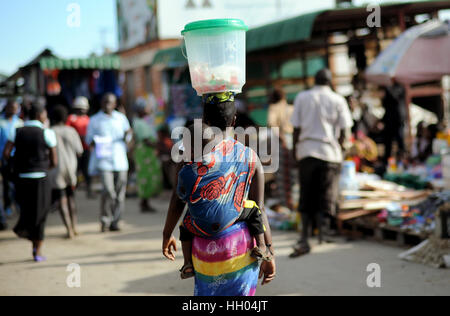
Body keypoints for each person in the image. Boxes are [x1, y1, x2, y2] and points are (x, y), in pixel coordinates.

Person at [162, 92, 276, 296]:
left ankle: (187, 264)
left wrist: (167, 234)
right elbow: (259, 209)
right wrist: (269, 253)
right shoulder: (249, 156)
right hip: (241, 250)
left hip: (205, 252)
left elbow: (177, 202)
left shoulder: (189, 158)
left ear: (204, 121)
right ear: (234, 120)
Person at [290, 69, 353, 257]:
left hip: (307, 151)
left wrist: (296, 152)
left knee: (306, 195)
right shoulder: (338, 100)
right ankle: (323, 234)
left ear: (314, 80)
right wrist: (342, 149)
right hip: (329, 153)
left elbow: (295, 129)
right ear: (330, 81)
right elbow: (345, 132)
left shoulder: (302, 97)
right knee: (326, 195)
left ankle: (304, 235)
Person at [3, 102, 57, 262]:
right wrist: (45, 167)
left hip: (22, 178)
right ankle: (37, 249)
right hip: (41, 177)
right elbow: (54, 159)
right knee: (41, 213)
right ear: (40, 115)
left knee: (27, 210)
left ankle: (26, 232)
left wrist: (17, 163)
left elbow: (6, 153)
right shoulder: (46, 132)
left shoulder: (17, 130)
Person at [86, 93, 132, 232]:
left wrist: (128, 134)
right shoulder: (94, 120)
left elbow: (128, 137)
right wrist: (98, 141)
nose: (107, 104)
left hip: (120, 160)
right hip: (104, 161)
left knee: (119, 194)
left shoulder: (121, 118)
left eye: (110, 102)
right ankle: (105, 220)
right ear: (101, 103)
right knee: (108, 191)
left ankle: (115, 222)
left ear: (114, 104)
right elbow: (89, 140)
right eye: (105, 101)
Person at [50, 106, 83, 239]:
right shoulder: (71, 131)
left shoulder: (50, 131)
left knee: (62, 200)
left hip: (56, 170)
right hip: (71, 169)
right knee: (71, 199)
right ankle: (75, 227)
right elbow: (80, 151)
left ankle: (68, 229)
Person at [132, 97, 163, 212]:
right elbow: (146, 140)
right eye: (146, 107)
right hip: (144, 153)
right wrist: (159, 146)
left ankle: (145, 202)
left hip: (148, 153)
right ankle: (144, 203)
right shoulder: (139, 122)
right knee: (145, 176)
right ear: (140, 109)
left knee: (149, 175)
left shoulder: (144, 121)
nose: (148, 109)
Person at [267, 88, 295, 210]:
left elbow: (272, 125)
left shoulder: (274, 108)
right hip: (293, 142)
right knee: (293, 176)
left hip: (281, 143)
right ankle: (294, 205)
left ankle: (286, 207)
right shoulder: (291, 108)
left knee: (282, 177)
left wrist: (282, 139)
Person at [0, 99, 24, 229]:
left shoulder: (19, 122)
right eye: (11, 107)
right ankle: (7, 206)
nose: (13, 110)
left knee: (17, 183)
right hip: (3, 158)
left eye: (16, 108)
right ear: (7, 107)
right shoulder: (1, 122)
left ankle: (17, 204)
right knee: (6, 184)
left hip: (17, 158)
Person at [66, 96, 93, 198]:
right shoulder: (71, 118)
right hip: (74, 149)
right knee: (74, 169)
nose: (82, 110)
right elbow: (67, 131)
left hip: (86, 148)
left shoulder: (88, 119)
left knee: (86, 169)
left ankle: (89, 189)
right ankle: (72, 190)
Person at [382, 83, 406, 163]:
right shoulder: (388, 91)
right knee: (388, 144)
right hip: (389, 122)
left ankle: (402, 160)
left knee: (400, 143)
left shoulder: (399, 88)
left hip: (398, 121)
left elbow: (394, 97)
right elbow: (385, 106)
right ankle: (387, 162)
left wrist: (387, 88)